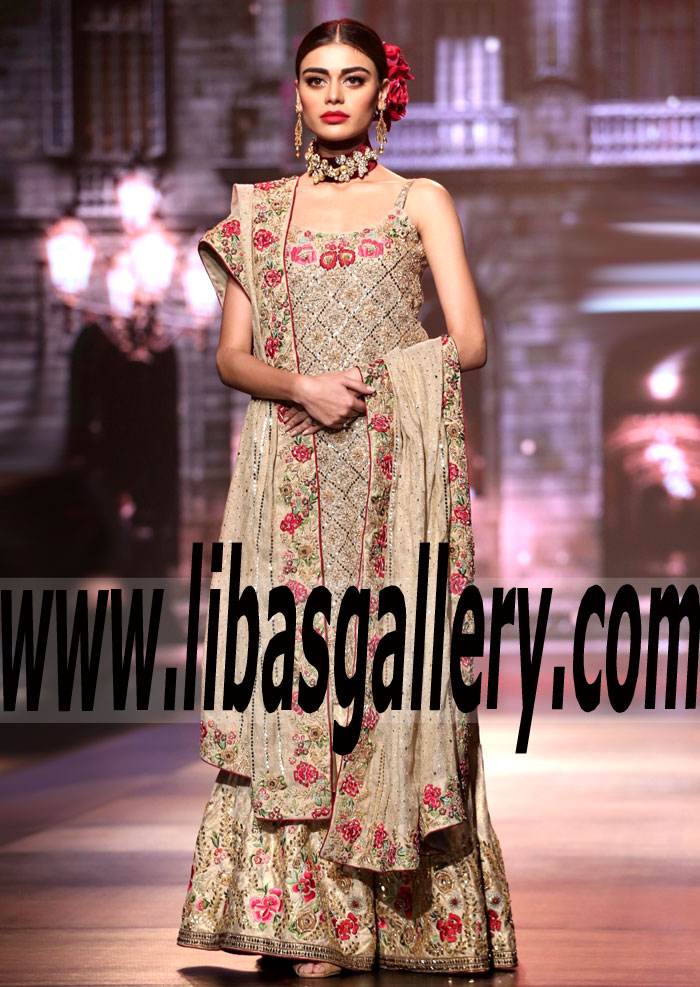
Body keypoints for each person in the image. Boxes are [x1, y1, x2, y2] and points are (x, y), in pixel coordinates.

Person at [177, 17, 518, 979]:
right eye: (317, 78)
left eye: (354, 78)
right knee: (295, 679)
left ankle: (398, 913)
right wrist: (303, 387)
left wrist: (372, 384)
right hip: (288, 477)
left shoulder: (420, 200)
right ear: (296, 94)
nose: (334, 94)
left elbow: (469, 341)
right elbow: (232, 356)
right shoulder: (259, 212)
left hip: (391, 474)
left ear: (383, 94)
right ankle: (311, 919)